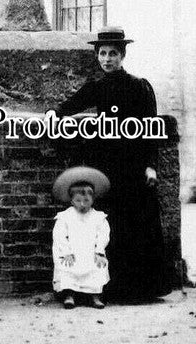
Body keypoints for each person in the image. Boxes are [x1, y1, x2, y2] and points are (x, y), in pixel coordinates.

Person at [55, 26, 171, 301]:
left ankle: (143, 289)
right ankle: (114, 288)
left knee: (138, 223)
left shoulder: (139, 86)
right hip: (108, 166)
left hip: (134, 165)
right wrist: (53, 114)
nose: (107, 59)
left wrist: (150, 165)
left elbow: (150, 129)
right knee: (112, 226)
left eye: (113, 54)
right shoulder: (97, 87)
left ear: (123, 55)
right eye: (103, 54)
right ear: (97, 56)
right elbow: (69, 106)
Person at [52, 166, 110, 309]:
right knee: (67, 266)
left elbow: (103, 234)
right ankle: (70, 295)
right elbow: (59, 235)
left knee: (98, 266)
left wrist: (99, 251)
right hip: (72, 252)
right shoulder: (65, 216)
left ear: (93, 199)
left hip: (90, 252)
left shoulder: (98, 217)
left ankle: (95, 296)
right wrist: (66, 252)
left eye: (86, 200)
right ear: (71, 200)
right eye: (78, 200)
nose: (82, 204)